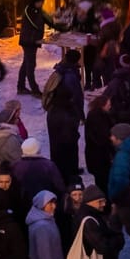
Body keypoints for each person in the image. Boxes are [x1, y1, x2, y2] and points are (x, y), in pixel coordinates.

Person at [44, 49, 85, 187]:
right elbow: (78, 96)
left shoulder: (61, 71)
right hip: (67, 117)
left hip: (54, 116)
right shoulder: (70, 76)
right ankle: (68, 174)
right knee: (69, 146)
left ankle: (62, 171)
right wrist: (80, 114)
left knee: (56, 147)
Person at [26, 190, 66, 259]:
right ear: (41, 205)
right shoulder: (42, 226)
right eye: (50, 203)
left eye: (54, 203)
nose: (54, 206)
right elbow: (43, 253)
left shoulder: (46, 220)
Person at [18, 0, 55, 96]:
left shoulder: (37, 10)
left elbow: (49, 20)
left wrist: (53, 23)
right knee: (30, 65)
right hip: (29, 41)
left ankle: (20, 87)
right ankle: (34, 90)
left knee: (26, 64)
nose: (42, 4)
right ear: (36, 1)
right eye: (41, 2)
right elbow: (35, 25)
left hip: (31, 41)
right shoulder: (29, 10)